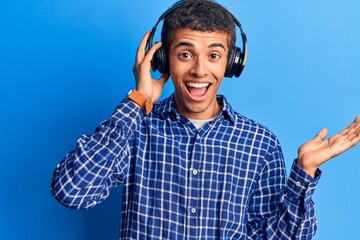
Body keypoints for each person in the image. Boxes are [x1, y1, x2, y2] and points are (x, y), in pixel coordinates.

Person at [50, 0, 360, 239]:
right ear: (162, 59)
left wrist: (304, 173)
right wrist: (137, 101)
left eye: (213, 56)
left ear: (231, 63)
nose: (200, 70)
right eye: (185, 54)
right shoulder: (135, 128)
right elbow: (73, 191)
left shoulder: (260, 144)